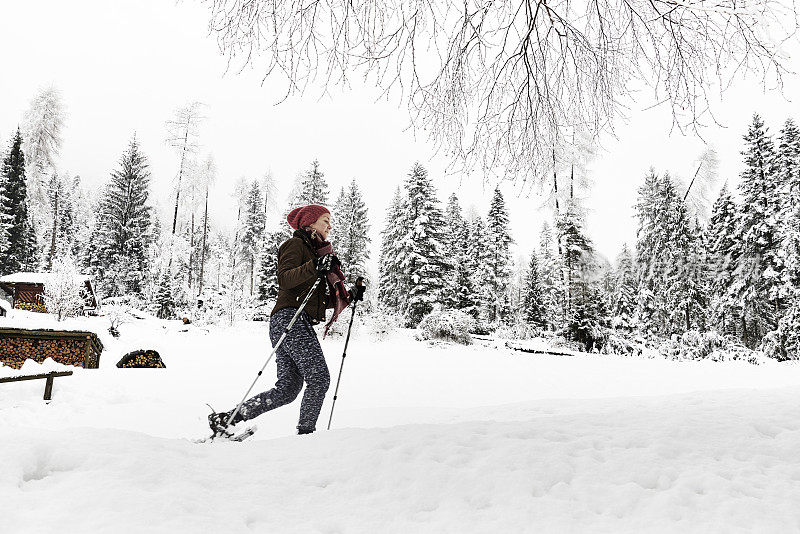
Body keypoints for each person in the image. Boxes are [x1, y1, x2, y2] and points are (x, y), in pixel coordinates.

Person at [208, 204, 353, 436]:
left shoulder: (317, 253)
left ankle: (227, 418)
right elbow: (285, 280)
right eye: (325, 220)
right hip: (290, 320)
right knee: (319, 378)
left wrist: (348, 296)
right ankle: (306, 435)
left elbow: (312, 299)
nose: (329, 225)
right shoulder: (295, 245)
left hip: (290, 321)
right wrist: (315, 265)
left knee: (288, 388)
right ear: (310, 222)